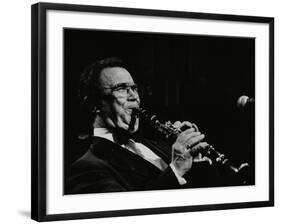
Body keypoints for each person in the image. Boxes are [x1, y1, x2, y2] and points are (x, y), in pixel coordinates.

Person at [66, 57, 218, 194]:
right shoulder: (86, 168)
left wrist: (195, 158)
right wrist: (176, 169)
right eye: (121, 89)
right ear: (94, 104)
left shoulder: (160, 146)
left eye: (134, 88)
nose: (134, 97)